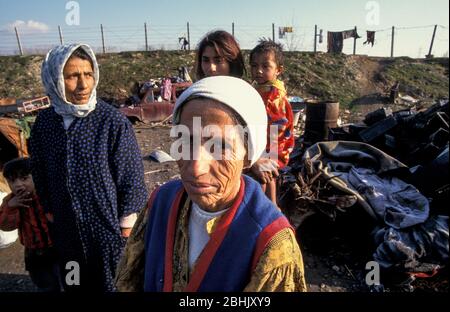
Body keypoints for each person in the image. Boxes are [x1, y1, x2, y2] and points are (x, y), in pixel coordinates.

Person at [115, 76, 307, 292]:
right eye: (186, 141)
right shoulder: (160, 203)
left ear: (248, 155)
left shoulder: (272, 242)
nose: (197, 168)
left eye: (219, 146)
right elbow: (129, 281)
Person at [29, 44, 148, 291]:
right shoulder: (45, 123)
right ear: (56, 79)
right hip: (66, 228)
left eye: (88, 74)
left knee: (111, 284)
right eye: (72, 76)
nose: (83, 85)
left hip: (107, 230)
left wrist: (126, 224)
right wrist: (50, 209)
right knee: (75, 282)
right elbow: (39, 167)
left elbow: (131, 174)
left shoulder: (111, 121)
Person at [0, 158, 61, 291]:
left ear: (36, 177)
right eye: (12, 181)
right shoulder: (9, 202)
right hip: (34, 253)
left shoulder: (47, 195)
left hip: (59, 249)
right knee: (45, 284)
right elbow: (5, 226)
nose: (18, 185)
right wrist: (11, 208)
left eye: (24, 178)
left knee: (71, 280)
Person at [249, 39, 295, 205]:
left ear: (278, 70)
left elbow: (277, 126)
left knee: (262, 176)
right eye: (254, 66)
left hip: (273, 143)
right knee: (269, 177)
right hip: (267, 143)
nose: (258, 71)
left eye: (265, 66)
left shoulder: (274, 95)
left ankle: (265, 208)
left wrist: (266, 154)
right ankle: (273, 206)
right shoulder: (261, 89)